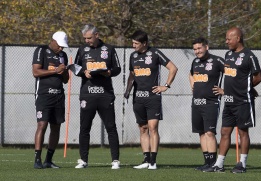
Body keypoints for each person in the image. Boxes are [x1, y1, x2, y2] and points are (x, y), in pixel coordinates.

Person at [203, 27, 261, 173]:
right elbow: (231, 77)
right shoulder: (228, 54)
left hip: (243, 101)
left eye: (229, 38)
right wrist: (226, 91)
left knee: (243, 132)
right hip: (228, 101)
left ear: (238, 38)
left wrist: (247, 88)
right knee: (224, 132)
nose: (226, 41)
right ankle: (219, 164)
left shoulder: (249, 56)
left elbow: (258, 77)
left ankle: (241, 164)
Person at [124, 30, 178, 170]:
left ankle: (153, 161)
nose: (133, 45)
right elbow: (132, 74)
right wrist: (128, 90)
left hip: (152, 98)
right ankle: (146, 160)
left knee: (153, 128)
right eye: (133, 43)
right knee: (143, 129)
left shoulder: (155, 53)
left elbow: (173, 68)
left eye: (136, 43)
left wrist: (165, 86)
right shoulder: (133, 56)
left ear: (144, 43)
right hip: (138, 98)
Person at [74, 24, 121, 169]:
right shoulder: (82, 50)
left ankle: (115, 160)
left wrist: (108, 73)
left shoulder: (109, 49)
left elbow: (117, 68)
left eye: (89, 38)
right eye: (85, 38)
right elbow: (75, 67)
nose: (87, 40)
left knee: (111, 127)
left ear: (97, 35)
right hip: (87, 94)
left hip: (105, 94)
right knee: (84, 128)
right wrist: (84, 72)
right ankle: (83, 160)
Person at [32, 31, 69, 169]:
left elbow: (65, 80)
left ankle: (49, 159)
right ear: (53, 41)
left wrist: (65, 71)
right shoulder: (41, 50)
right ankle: (37, 159)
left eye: (63, 47)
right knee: (42, 125)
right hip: (44, 94)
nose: (61, 48)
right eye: (59, 46)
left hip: (59, 95)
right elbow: (36, 72)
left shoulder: (63, 56)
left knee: (56, 126)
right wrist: (55, 71)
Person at [189, 37, 224, 171]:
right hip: (196, 102)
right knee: (201, 133)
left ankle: (215, 164)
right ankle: (207, 162)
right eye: (195, 49)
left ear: (206, 47)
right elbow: (190, 74)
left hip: (211, 102)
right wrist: (192, 84)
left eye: (199, 48)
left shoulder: (217, 61)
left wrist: (224, 90)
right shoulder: (195, 61)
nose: (197, 51)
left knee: (210, 132)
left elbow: (233, 74)